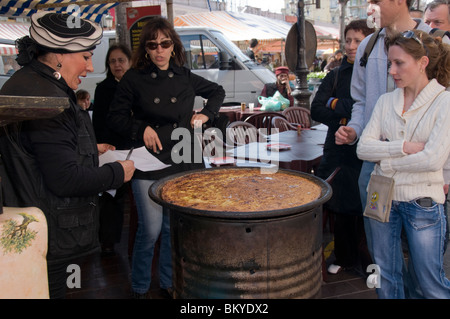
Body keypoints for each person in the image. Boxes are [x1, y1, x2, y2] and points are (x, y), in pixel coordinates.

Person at [0, 12, 135, 299]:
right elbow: (64, 179)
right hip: (50, 233)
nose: (89, 67)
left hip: (39, 224)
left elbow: (35, 151)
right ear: (60, 55)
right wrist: (117, 173)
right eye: (86, 57)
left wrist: (89, 149)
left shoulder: (32, 83)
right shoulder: (48, 101)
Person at [335, 0, 450, 298]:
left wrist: (444, 169)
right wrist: (356, 130)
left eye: (376, 0)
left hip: (421, 178)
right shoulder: (369, 46)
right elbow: (362, 104)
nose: (370, 7)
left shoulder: (436, 42)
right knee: (383, 260)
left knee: (425, 270)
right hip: (375, 174)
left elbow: (443, 126)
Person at [107, 17, 225, 299]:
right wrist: (141, 128)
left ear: (173, 46)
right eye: (152, 45)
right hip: (149, 161)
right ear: (145, 49)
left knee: (173, 229)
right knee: (150, 230)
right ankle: (138, 287)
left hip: (183, 158)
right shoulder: (133, 79)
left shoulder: (184, 76)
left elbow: (217, 92)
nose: (159, 50)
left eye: (165, 43)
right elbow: (115, 118)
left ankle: (168, 283)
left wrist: (207, 113)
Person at [311, 19, 374, 275]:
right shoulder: (335, 74)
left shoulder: (376, 73)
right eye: (348, 40)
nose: (351, 45)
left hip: (365, 149)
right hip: (337, 150)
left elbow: (372, 107)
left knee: (365, 207)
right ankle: (345, 256)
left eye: (358, 40)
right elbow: (316, 108)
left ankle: (368, 259)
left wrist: (335, 104)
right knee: (339, 206)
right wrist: (345, 110)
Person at [92, 44, 133, 257]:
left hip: (136, 147)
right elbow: (98, 121)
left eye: (121, 60)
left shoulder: (138, 85)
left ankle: (135, 237)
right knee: (111, 197)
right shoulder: (103, 88)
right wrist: (100, 147)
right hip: (112, 148)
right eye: (112, 61)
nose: (117, 65)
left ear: (130, 61)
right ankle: (108, 240)